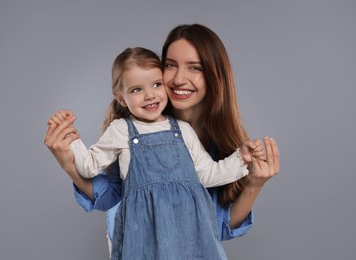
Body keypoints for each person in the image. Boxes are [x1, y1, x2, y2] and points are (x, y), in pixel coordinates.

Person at [44, 24, 280, 258]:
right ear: (121, 98)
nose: (178, 79)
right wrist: (69, 148)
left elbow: (212, 202)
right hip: (140, 245)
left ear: (213, 76)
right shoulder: (122, 131)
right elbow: (102, 186)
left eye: (195, 67)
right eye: (170, 65)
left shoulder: (186, 132)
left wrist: (243, 163)